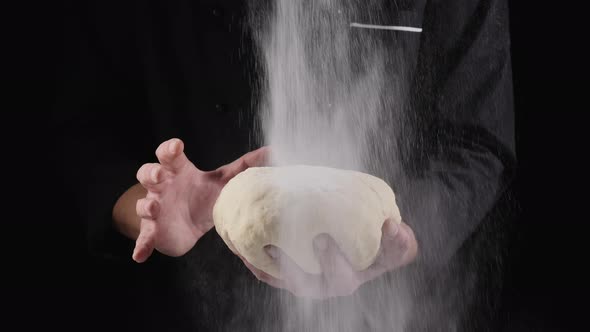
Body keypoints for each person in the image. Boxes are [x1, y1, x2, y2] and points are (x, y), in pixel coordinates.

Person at [55, 0, 515, 330]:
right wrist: (147, 207)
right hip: (182, 302)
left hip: (395, 310)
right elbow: (82, 125)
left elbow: (478, 140)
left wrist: (405, 233)